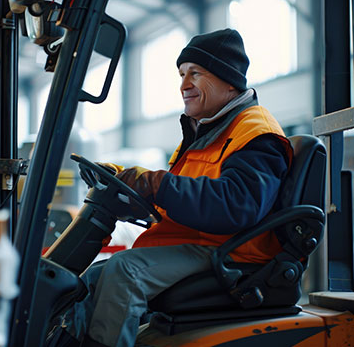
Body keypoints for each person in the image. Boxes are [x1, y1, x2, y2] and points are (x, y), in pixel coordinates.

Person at [50, 28, 293, 347]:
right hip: (199, 242)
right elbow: (183, 190)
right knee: (91, 279)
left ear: (228, 79)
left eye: (196, 73)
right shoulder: (211, 130)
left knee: (125, 273)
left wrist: (156, 184)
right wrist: (125, 179)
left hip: (232, 252)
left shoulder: (255, 134)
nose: (184, 85)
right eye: (181, 74)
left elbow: (237, 206)